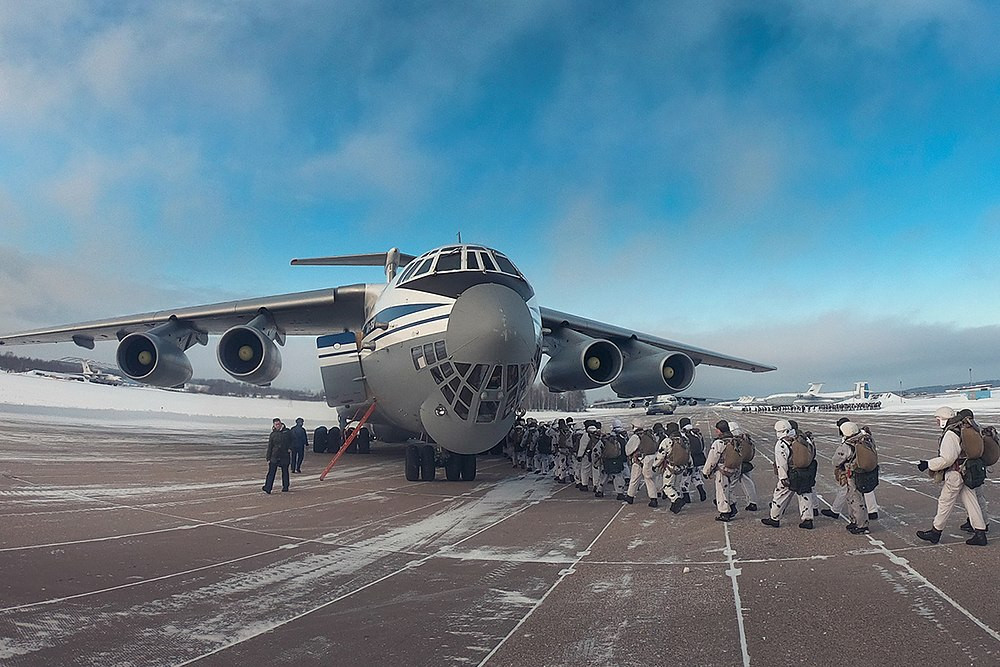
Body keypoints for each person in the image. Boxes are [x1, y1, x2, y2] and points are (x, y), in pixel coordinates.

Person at [916, 406, 988, 546]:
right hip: (967, 472)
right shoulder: (963, 428)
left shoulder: (951, 434)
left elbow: (947, 459)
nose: (937, 423)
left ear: (944, 420)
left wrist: (928, 464)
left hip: (955, 474)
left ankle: (935, 532)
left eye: (938, 420)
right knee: (972, 502)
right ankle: (980, 533)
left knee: (945, 502)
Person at [761, 419, 814, 529]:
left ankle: (774, 518)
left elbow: (781, 462)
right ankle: (807, 519)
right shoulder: (803, 439)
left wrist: (783, 477)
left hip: (791, 473)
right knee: (805, 494)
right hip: (805, 472)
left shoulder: (782, 443)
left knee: (780, 495)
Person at [831, 421, 870, 534]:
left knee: (855, 499)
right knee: (855, 497)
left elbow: (836, 460)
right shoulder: (865, 439)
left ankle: (861, 525)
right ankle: (855, 520)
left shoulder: (848, 444)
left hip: (852, 474)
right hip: (863, 472)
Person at [702, 420, 741, 521]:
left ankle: (724, 513)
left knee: (721, 491)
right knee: (728, 489)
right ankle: (732, 507)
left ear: (720, 430)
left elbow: (712, 459)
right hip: (735, 469)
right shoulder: (735, 440)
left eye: (717, 430)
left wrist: (706, 472)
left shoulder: (719, 442)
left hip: (722, 470)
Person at [652, 422, 688, 513]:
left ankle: (677, 500)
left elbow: (661, 454)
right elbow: (688, 453)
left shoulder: (667, 441)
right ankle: (675, 504)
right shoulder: (684, 439)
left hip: (671, 467)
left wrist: (655, 465)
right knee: (676, 486)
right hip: (682, 467)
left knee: (667, 486)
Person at [625, 424, 660, 507]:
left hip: (640, 460)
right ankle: (653, 499)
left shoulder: (635, 437)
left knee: (634, 479)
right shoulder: (650, 435)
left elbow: (628, 450)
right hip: (651, 458)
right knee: (649, 479)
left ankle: (630, 496)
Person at [729, 420, 759, 512]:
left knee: (730, 485)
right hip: (747, 463)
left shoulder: (735, 439)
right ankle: (752, 502)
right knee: (748, 483)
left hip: (738, 465)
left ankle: (728, 501)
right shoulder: (746, 438)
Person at [679, 417, 707, 502]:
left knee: (685, 478)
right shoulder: (697, 433)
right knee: (696, 475)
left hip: (689, 460)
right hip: (698, 459)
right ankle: (701, 489)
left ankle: (686, 496)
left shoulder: (684, 434)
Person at [263, 418, 293, 494]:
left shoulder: (287, 432)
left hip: (285, 454)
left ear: (281, 424)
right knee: (271, 472)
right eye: (276, 424)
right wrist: (268, 457)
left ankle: (285, 487)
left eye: (278, 424)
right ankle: (268, 488)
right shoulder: (273, 434)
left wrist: (290, 448)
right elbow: (270, 446)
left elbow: (293, 440)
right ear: (274, 425)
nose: (277, 426)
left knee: (285, 472)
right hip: (275, 455)